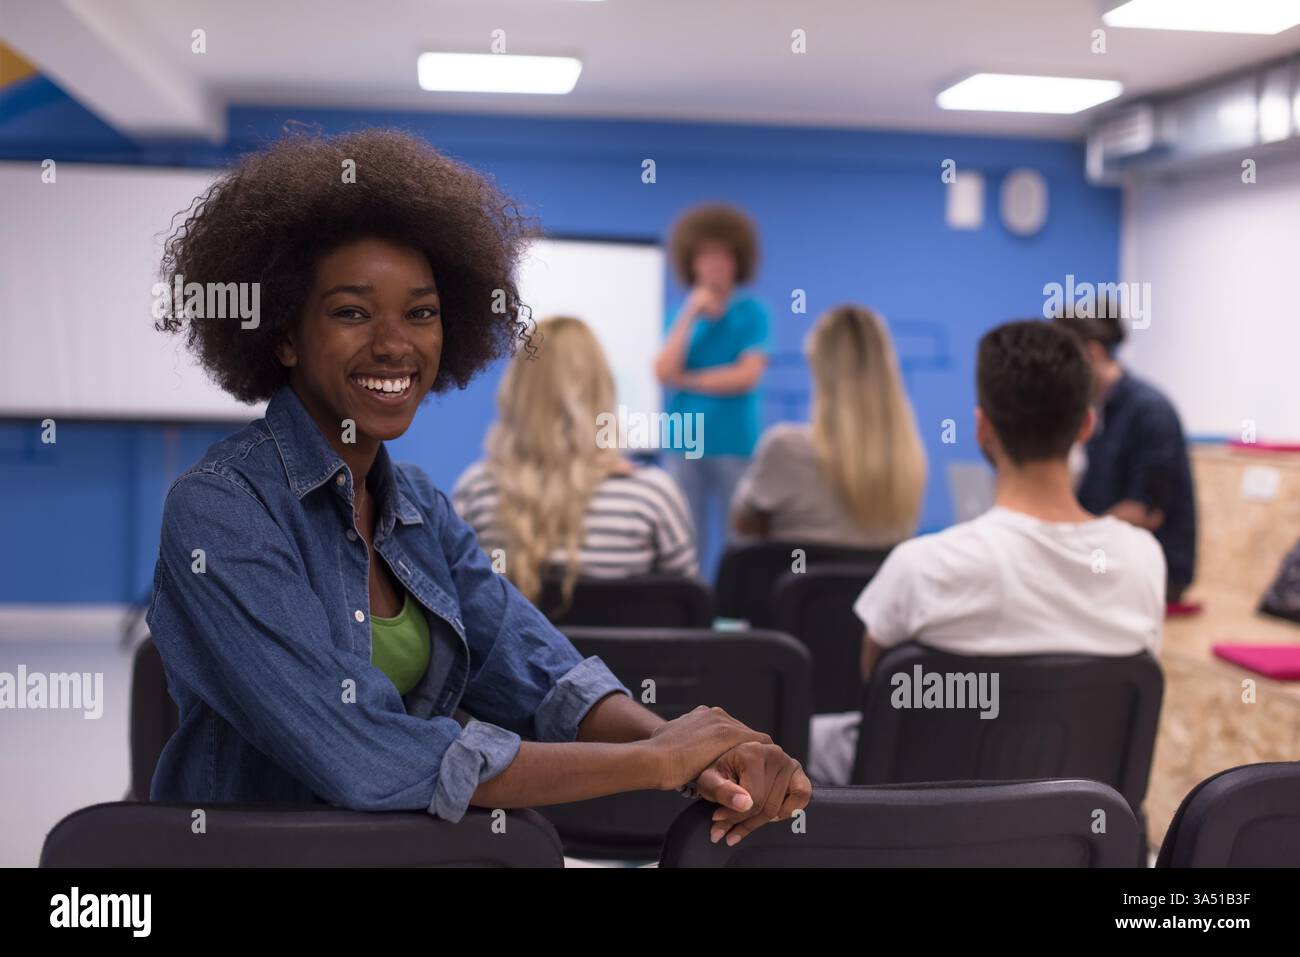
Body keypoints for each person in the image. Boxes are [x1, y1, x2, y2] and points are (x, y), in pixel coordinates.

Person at [146, 129, 809, 846]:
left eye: (422, 312)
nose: (395, 343)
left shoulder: (420, 508)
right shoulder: (219, 509)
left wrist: (696, 755)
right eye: (351, 311)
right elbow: (365, 752)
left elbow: (548, 679)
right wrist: (654, 760)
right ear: (284, 336)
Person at [809, 320, 1166, 784]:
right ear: (1086, 423)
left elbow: (879, 699)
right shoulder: (1143, 560)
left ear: (982, 429)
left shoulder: (922, 567)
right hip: (1073, 830)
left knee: (809, 738)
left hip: (921, 831)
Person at [452, 315, 698, 607]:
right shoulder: (652, 496)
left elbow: (457, 608)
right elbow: (687, 612)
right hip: (624, 657)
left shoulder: (477, 492)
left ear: (517, 390)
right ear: (603, 388)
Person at [730, 304, 926, 547]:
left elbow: (744, 527)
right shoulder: (907, 460)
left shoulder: (784, 447)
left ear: (818, 367)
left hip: (795, 582)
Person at [653, 203, 772, 576]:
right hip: (684, 439)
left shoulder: (753, 312)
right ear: (692, 263)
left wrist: (690, 380)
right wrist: (690, 314)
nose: (715, 266)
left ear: (739, 262)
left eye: (723, 257)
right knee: (684, 537)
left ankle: (735, 612)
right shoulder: (678, 314)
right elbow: (662, 370)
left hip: (736, 441)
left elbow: (747, 375)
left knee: (741, 537)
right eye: (706, 257)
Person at [1055, 308, 1197, 603]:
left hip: (1155, 573)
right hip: (1104, 560)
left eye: (1062, 361)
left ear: (1091, 354)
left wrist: (1069, 540)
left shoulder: (1149, 410)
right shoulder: (1095, 410)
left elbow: (1144, 513)